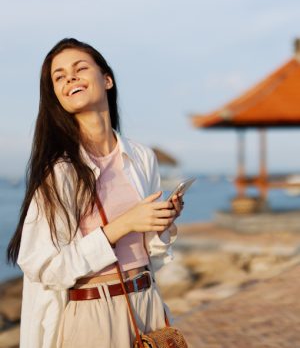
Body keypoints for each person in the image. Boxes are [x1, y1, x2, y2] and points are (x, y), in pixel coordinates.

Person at [7, 38, 184, 348]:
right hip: (93, 314)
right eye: (59, 77)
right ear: (57, 96)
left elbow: (153, 252)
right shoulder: (59, 172)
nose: (70, 78)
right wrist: (125, 224)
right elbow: (45, 267)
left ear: (107, 80)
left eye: (80, 68)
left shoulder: (142, 157)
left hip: (148, 302)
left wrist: (162, 223)